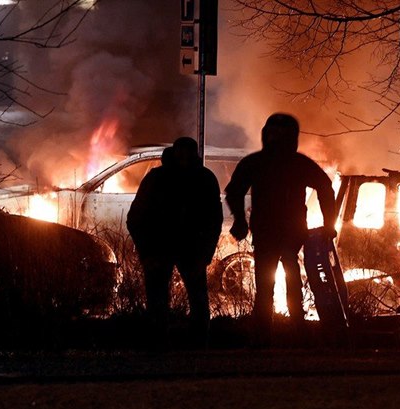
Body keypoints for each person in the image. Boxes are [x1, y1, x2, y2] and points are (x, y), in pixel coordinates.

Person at [225, 113, 336, 346]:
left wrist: (330, 223)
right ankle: (289, 333)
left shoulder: (262, 162)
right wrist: (329, 224)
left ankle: (274, 334)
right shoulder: (292, 163)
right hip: (278, 232)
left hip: (280, 232)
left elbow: (234, 191)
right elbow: (234, 191)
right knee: (281, 282)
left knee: (273, 284)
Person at [127, 137, 222, 348]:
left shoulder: (203, 179)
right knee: (159, 301)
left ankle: (196, 347)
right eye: (181, 154)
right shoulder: (158, 178)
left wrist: (205, 255)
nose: (184, 159)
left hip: (190, 250)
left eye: (188, 154)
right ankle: (158, 345)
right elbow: (136, 217)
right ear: (174, 153)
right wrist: (146, 252)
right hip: (161, 249)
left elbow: (214, 219)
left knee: (196, 300)